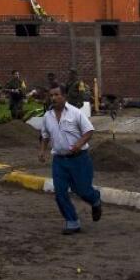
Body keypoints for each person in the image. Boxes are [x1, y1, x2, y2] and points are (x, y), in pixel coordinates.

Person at [37, 84, 101, 235]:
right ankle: (72, 221)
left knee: (82, 190)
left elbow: (89, 130)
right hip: (59, 160)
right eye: (51, 95)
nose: (53, 98)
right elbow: (45, 136)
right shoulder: (47, 116)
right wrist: (42, 151)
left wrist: (79, 144)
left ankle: (95, 200)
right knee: (60, 192)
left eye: (56, 95)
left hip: (79, 159)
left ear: (64, 96)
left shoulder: (75, 113)